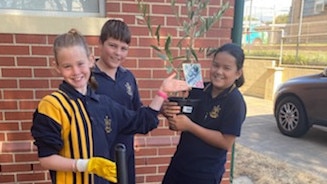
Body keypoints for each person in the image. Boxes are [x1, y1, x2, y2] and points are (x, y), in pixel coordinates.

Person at [30, 29, 189, 184]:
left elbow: (140, 121)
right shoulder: (52, 106)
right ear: (57, 67)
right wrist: (86, 165)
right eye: (67, 66)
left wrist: (162, 93)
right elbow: (46, 158)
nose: (76, 71)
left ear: (91, 60)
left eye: (80, 64)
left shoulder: (104, 104)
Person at [161, 43, 247, 184]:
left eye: (226, 68)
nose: (219, 71)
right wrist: (167, 111)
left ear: (238, 73)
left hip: (205, 174)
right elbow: (183, 117)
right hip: (179, 164)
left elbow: (225, 142)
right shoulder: (198, 89)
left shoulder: (235, 102)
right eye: (215, 65)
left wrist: (190, 126)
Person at [92, 19, 141, 184]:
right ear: (100, 42)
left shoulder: (128, 77)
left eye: (124, 48)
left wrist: (161, 107)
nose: (118, 53)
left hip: (125, 151)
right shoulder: (88, 78)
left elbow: (137, 113)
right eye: (112, 46)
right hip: (98, 156)